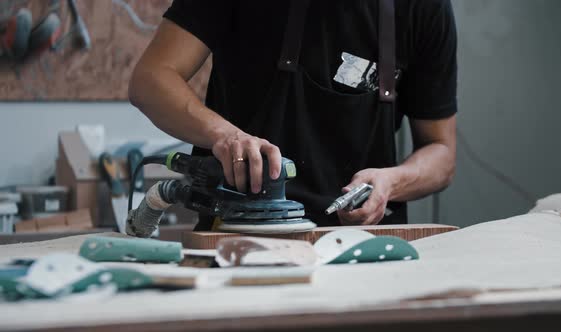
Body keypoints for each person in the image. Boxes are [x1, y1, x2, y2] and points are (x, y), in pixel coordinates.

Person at [129, 0, 457, 229]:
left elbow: (441, 152)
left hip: (365, 244)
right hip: (243, 235)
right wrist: (226, 136)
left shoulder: (423, 7)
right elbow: (152, 80)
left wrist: (392, 183)